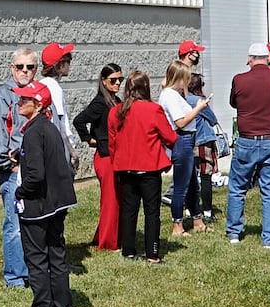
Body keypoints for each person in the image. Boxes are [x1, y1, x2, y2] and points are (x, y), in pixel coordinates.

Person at [13, 82, 77, 307]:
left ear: (38, 105)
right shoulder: (49, 127)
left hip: (38, 205)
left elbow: (36, 175)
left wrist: (20, 192)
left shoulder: (32, 132)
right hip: (57, 204)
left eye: (24, 100)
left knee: (38, 260)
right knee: (57, 258)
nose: (19, 103)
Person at [0, 47, 39, 288]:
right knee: (14, 223)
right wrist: (8, 164)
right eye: (20, 67)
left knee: (35, 221)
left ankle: (32, 270)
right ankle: (15, 276)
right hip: (14, 172)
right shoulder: (3, 96)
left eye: (30, 67)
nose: (25, 71)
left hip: (36, 171)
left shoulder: (40, 93)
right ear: (11, 68)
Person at [107, 70, 176, 262]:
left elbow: (112, 142)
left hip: (125, 168)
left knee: (129, 210)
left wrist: (117, 161)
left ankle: (128, 250)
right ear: (146, 87)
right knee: (151, 211)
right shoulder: (153, 110)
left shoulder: (116, 111)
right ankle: (152, 254)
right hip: (149, 168)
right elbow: (170, 138)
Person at [225, 43, 270, 248]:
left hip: (246, 139)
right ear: (268, 59)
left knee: (237, 187)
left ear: (250, 59)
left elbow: (234, 103)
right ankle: (269, 238)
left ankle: (234, 232)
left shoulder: (239, 80)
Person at [73, 64, 123, 250]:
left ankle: (105, 235)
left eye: (120, 80)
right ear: (104, 81)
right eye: (113, 80)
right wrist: (89, 139)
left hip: (114, 156)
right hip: (105, 157)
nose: (117, 83)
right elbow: (79, 121)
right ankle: (108, 242)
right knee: (110, 200)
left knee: (116, 198)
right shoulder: (100, 103)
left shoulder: (115, 100)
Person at [158, 60, 209, 236]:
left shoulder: (174, 93)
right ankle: (177, 225)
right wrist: (199, 108)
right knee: (181, 185)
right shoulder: (170, 96)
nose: (187, 82)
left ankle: (197, 219)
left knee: (193, 182)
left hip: (188, 139)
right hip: (182, 140)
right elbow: (181, 122)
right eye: (185, 78)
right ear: (178, 78)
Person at [185, 73, 223, 225]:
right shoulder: (199, 100)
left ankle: (189, 208)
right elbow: (213, 120)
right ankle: (207, 211)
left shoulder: (182, 100)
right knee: (206, 177)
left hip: (189, 141)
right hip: (204, 141)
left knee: (190, 177)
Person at [36, 42, 80, 164]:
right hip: (57, 149)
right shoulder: (54, 88)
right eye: (68, 62)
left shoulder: (42, 84)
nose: (69, 66)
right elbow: (61, 123)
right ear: (59, 65)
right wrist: (72, 151)